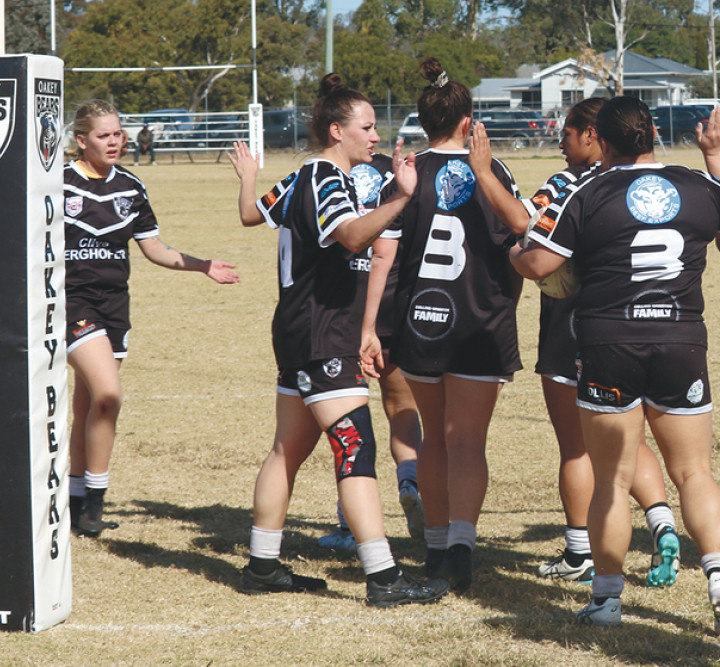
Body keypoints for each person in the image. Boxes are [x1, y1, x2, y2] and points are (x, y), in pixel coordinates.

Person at [510, 96, 720, 634]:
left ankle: (607, 600)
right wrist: (718, 159)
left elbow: (542, 263)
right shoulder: (697, 185)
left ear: (604, 141)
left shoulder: (587, 190)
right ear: (653, 135)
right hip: (680, 340)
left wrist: (514, 255)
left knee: (612, 482)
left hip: (610, 343)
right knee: (693, 472)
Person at [226, 74, 447, 607]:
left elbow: (251, 213)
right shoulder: (326, 176)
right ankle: (383, 577)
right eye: (367, 127)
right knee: (355, 446)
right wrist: (400, 198)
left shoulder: (304, 174)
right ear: (337, 129)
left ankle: (262, 564)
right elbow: (350, 236)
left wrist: (249, 179)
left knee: (289, 448)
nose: (376, 136)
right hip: (321, 330)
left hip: (303, 327)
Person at [467, 96, 682, 587]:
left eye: (567, 132)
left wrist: (484, 172)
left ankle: (581, 552)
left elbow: (524, 222)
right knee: (630, 436)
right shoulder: (644, 183)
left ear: (593, 136)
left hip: (574, 324)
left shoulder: (570, 183)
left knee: (577, 448)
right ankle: (662, 523)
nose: (561, 142)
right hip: (644, 320)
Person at [361, 57, 521, 593]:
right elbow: (521, 237)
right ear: (468, 121)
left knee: (433, 440)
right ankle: (460, 546)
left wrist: (371, 329)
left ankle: (432, 549)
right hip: (479, 320)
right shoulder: (493, 172)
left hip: (421, 321)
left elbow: (382, 257)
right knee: (467, 441)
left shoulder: (406, 173)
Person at [65, 100, 240, 538]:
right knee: (108, 394)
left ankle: (74, 499)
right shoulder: (55, 181)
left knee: (89, 404)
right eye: (104, 135)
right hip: (71, 304)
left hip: (113, 306)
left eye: (119, 134)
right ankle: (96, 501)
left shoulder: (131, 187)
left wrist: (202, 265)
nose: (115, 141)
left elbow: (154, 249)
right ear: (81, 140)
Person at [317, 152, 426, 551]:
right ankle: (410, 479)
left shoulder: (330, 175)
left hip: (348, 307)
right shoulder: (392, 170)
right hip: (395, 305)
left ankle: (349, 527)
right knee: (401, 408)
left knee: (345, 422)